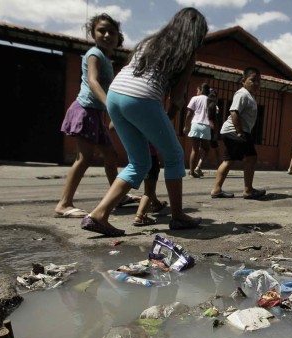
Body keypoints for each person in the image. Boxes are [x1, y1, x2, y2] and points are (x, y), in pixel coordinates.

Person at [80, 7, 207, 237]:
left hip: (116, 96)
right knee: (175, 155)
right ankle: (178, 217)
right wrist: (170, 114)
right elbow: (177, 96)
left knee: (139, 163)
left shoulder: (150, 42)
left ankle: (98, 215)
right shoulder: (187, 52)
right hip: (141, 99)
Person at [54, 13, 126, 218]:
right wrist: (110, 105)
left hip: (96, 112)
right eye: (101, 30)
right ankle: (63, 204)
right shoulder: (94, 54)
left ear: (118, 36)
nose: (106, 35)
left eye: (111, 31)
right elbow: (93, 82)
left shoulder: (106, 58)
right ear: (92, 34)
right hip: (85, 110)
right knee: (84, 158)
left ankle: (118, 196)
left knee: (110, 155)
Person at [210, 67, 266, 200]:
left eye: (259, 81)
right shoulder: (242, 94)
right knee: (248, 158)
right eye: (253, 80)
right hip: (235, 131)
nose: (256, 83)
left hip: (234, 131)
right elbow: (234, 112)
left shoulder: (250, 95)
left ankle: (217, 190)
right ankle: (248, 190)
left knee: (232, 160)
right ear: (243, 81)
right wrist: (240, 132)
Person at [132, 144, 168, 226]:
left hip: (137, 157)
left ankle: (156, 203)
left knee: (148, 186)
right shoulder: (149, 131)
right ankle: (140, 216)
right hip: (151, 158)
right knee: (149, 191)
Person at [185, 83, 212, 178]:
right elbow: (213, 115)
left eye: (197, 90)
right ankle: (198, 167)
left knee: (194, 149)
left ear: (201, 90)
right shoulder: (210, 100)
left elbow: (189, 114)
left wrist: (186, 126)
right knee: (206, 149)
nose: (196, 92)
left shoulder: (194, 99)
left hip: (195, 125)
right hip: (206, 126)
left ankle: (192, 171)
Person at [194, 89, 222, 176]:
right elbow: (213, 120)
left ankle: (196, 167)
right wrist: (215, 132)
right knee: (215, 149)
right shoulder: (214, 106)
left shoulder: (204, 104)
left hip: (201, 127)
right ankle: (219, 168)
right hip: (210, 129)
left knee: (201, 149)